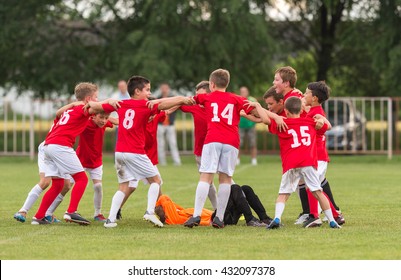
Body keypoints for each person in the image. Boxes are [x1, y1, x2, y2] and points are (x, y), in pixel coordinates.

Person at [85, 75, 194, 228]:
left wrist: (105, 102)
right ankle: (149, 212)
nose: (149, 93)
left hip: (119, 153)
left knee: (124, 186)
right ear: (137, 91)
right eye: (147, 90)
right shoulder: (145, 105)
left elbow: (93, 108)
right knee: (156, 181)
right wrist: (182, 99)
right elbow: (163, 104)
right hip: (134, 151)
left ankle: (110, 220)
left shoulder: (121, 104)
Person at [183, 69, 258, 229]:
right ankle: (219, 218)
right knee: (225, 178)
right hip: (231, 141)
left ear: (211, 84)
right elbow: (255, 112)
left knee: (205, 177)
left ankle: (196, 215)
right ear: (227, 83)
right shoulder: (237, 98)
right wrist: (267, 115)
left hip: (213, 139)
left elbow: (185, 101)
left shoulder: (207, 97)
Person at [250, 96, 341, 229]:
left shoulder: (283, 123)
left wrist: (258, 107)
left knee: (283, 194)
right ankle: (332, 221)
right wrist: (321, 119)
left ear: (285, 111)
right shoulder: (310, 122)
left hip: (291, 163)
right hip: (308, 162)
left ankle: (276, 218)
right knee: (318, 192)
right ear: (301, 109)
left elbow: (264, 118)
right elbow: (328, 126)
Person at [31, 82, 110, 225]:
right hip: (60, 146)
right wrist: (116, 103)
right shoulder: (83, 109)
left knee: (58, 183)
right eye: (96, 98)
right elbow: (103, 107)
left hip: (48, 146)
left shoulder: (70, 110)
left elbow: (57, 114)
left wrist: (72, 104)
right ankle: (71, 212)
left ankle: (39, 216)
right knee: (82, 179)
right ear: (88, 99)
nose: (97, 101)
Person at [13, 101, 83, 223]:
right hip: (50, 147)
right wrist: (74, 104)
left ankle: (47, 214)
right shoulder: (71, 114)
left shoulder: (69, 114)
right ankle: (23, 211)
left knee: (65, 184)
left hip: (55, 148)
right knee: (45, 181)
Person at [44, 112, 117, 222]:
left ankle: (98, 214)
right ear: (93, 116)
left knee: (98, 187)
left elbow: (118, 121)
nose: (103, 120)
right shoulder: (85, 123)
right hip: (79, 161)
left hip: (96, 161)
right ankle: (49, 212)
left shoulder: (104, 123)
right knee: (66, 186)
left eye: (105, 118)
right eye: (101, 117)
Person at [301, 81, 344, 227]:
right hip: (317, 156)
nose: (304, 94)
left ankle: (314, 216)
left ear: (314, 98)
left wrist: (325, 124)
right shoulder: (314, 111)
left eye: (306, 92)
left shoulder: (317, 114)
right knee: (314, 187)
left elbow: (324, 126)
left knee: (312, 187)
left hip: (317, 156)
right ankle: (336, 215)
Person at [155, 184, 273, 227]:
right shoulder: (172, 218)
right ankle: (250, 219)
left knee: (245, 189)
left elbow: (169, 203)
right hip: (217, 219)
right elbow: (164, 198)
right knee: (235, 188)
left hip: (222, 216)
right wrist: (154, 207)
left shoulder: (179, 212)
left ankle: (264, 218)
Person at [157, 83, 181, 166]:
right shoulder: (158, 98)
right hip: (160, 124)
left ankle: (177, 162)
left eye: (165, 88)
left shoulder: (172, 98)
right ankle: (162, 162)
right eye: (163, 88)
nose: (164, 90)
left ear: (168, 89)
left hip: (170, 125)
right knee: (160, 144)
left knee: (173, 143)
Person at [238, 86, 258, 166]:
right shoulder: (237, 100)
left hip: (251, 125)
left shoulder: (252, 100)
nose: (243, 93)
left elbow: (258, 112)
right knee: (238, 143)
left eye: (245, 91)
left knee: (252, 143)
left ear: (248, 92)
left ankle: (254, 159)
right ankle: (237, 159)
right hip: (240, 125)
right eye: (242, 91)